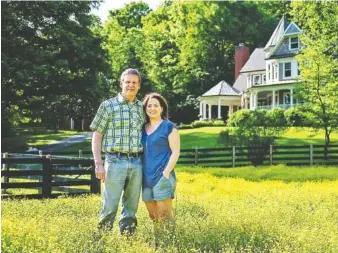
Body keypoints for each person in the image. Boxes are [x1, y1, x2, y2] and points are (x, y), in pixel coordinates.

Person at [90, 68, 144, 234]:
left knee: (131, 208)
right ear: (121, 84)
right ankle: (102, 242)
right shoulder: (107, 106)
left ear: (139, 86)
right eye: (127, 82)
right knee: (109, 206)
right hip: (114, 161)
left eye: (134, 82)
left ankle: (128, 242)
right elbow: (97, 136)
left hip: (136, 162)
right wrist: (98, 163)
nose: (131, 85)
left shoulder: (142, 108)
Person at [142, 93, 180, 240]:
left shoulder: (169, 127)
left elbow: (175, 152)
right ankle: (158, 243)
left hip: (162, 177)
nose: (152, 108)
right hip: (145, 179)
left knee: (164, 214)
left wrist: (166, 173)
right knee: (153, 216)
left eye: (155, 105)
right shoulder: (142, 128)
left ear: (162, 108)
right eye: (149, 105)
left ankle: (171, 244)